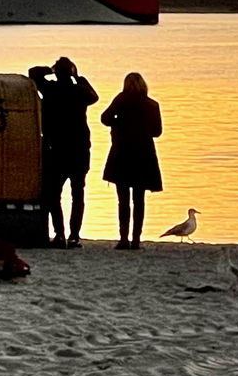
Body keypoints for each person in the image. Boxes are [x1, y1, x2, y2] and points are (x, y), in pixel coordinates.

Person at [34, 56, 99, 248]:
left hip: (56, 148)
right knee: (78, 194)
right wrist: (78, 77)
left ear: (57, 72)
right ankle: (74, 235)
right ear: (71, 72)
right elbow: (94, 96)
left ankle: (60, 234)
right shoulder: (79, 91)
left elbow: (33, 73)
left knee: (54, 194)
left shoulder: (50, 89)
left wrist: (50, 70)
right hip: (79, 149)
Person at [101, 72, 163, 250]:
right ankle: (136, 239)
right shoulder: (152, 105)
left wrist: (118, 124)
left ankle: (123, 238)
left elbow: (105, 118)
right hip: (144, 154)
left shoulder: (121, 100)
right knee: (139, 199)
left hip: (122, 152)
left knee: (123, 199)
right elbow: (157, 131)